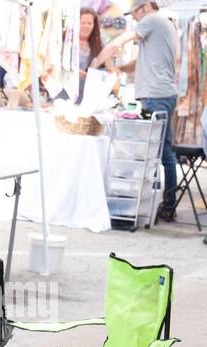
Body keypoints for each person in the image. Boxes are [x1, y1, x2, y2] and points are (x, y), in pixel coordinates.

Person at [91, 1, 179, 221]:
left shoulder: (152, 20)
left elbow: (120, 41)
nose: (135, 19)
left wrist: (96, 63)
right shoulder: (163, 25)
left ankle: (167, 204)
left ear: (144, 7)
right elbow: (140, 62)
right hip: (162, 93)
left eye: (135, 14)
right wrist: (119, 68)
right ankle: (163, 203)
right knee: (158, 150)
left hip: (156, 95)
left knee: (156, 151)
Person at [77, 7, 103, 100]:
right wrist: (75, 72)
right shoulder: (67, 43)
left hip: (87, 94)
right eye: (83, 23)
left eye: (89, 23)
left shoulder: (98, 45)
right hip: (66, 91)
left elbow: (105, 69)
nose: (86, 26)